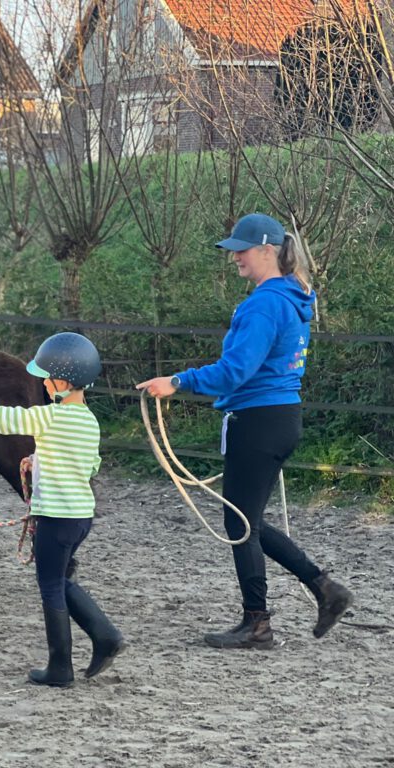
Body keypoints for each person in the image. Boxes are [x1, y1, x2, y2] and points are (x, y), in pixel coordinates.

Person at [137, 212, 353, 650]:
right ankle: (323, 589)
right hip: (277, 417)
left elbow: (234, 370)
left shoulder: (264, 304)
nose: (235, 257)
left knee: (240, 524)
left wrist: (177, 381)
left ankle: (259, 623)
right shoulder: (290, 297)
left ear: (267, 250)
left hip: (257, 421)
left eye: (242, 249)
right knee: (246, 521)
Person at [0, 332, 124, 687]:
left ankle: (63, 665)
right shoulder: (89, 421)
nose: (44, 384)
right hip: (81, 517)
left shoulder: (49, 418)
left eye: (48, 378)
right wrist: (42, 463)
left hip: (56, 518)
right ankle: (104, 637)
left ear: (63, 381)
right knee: (60, 579)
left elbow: (6, 419)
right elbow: (89, 465)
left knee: (50, 585)